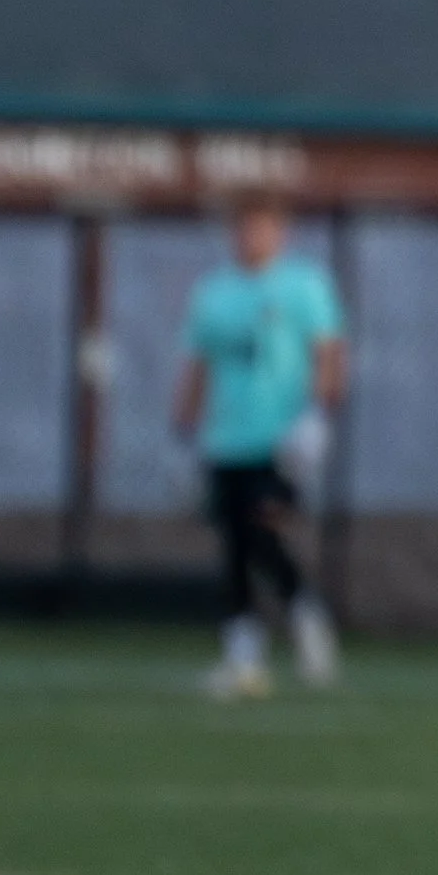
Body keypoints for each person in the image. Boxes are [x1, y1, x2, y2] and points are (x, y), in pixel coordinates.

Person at [173, 196, 350, 697]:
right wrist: (183, 429)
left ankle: (305, 613)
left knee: (262, 531)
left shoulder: (303, 285)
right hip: (226, 438)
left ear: (280, 232)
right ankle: (243, 654)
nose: (251, 238)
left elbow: (330, 351)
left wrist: (318, 415)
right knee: (234, 543)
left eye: (261, 228)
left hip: (281, 438)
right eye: (243, 228)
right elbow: (198, 363)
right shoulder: (214, 293)